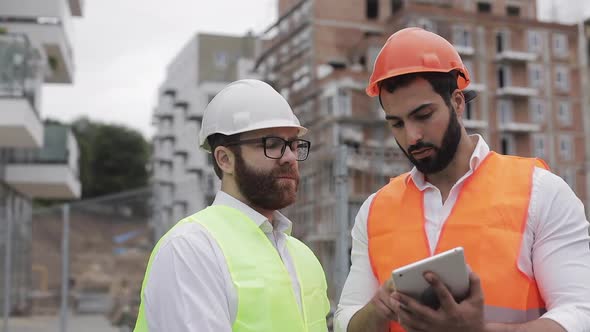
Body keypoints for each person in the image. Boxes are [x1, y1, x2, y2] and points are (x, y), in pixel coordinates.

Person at [335, 27, 590, 332]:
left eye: (423, 115)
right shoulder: (374, 210)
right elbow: (346, 320)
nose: (412, 136)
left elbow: (580, 311)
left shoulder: (541, 191)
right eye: (397, 123)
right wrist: (378, 308)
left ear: (457, 102)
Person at [133, 79, 330, 332]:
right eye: (272, 145)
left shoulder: (303, 256)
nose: (290, 157)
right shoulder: (190, 249)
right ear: (225, 159)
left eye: (293, 145)